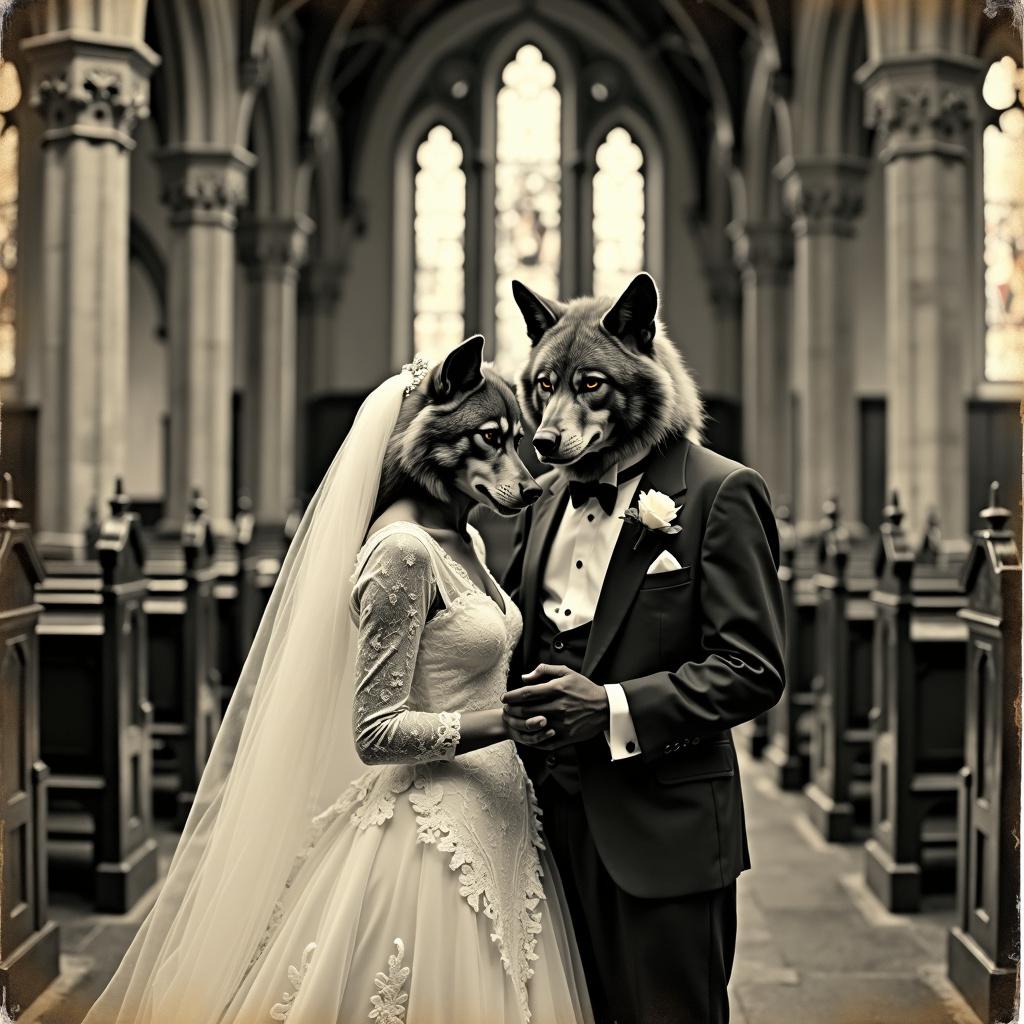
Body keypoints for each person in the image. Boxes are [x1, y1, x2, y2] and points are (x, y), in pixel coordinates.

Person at [84, 337, 592, 1024]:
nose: (519, 474)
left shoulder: (463, 539)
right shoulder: (403, 551)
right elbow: (375, 731)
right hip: (429, 840)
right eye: (490, 446)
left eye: (516, 445)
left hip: (500, 821)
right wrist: (505, 719)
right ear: (431, 437)